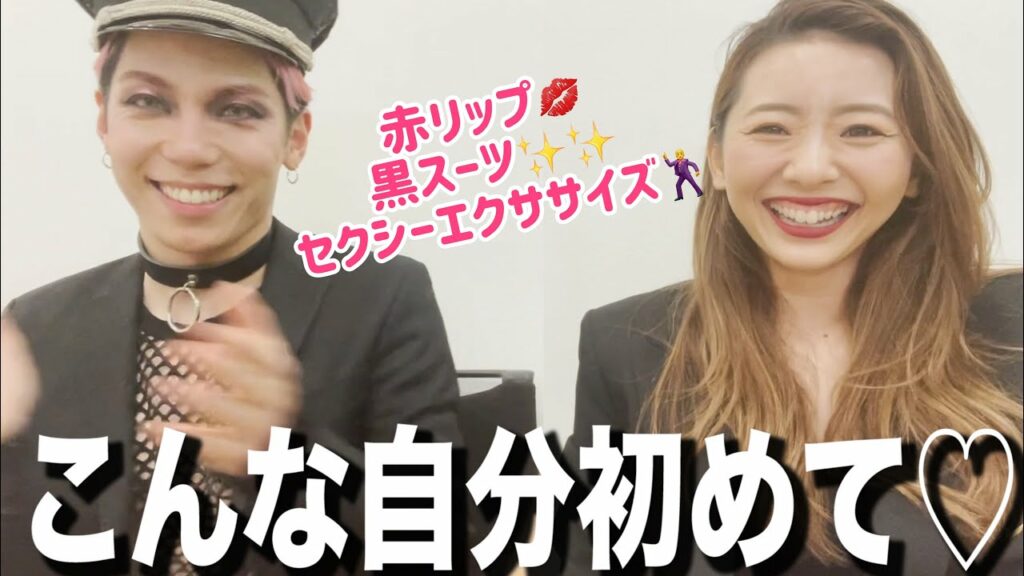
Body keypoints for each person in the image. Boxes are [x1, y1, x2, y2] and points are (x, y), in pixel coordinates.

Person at [0, 1, 472, 574]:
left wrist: (285, 460)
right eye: (148, 101)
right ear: (105, 120)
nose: (189, 149)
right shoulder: (36, 328)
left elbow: (445, 547)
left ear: (295, 137)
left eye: (237, 110)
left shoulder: (384, 299)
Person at [564, 0, 1023, 573]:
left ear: (917, 168)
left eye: (861, 130)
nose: (810, 168)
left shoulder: (1012, 328)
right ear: (717, 160)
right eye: (772, 128)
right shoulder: (627, 346)